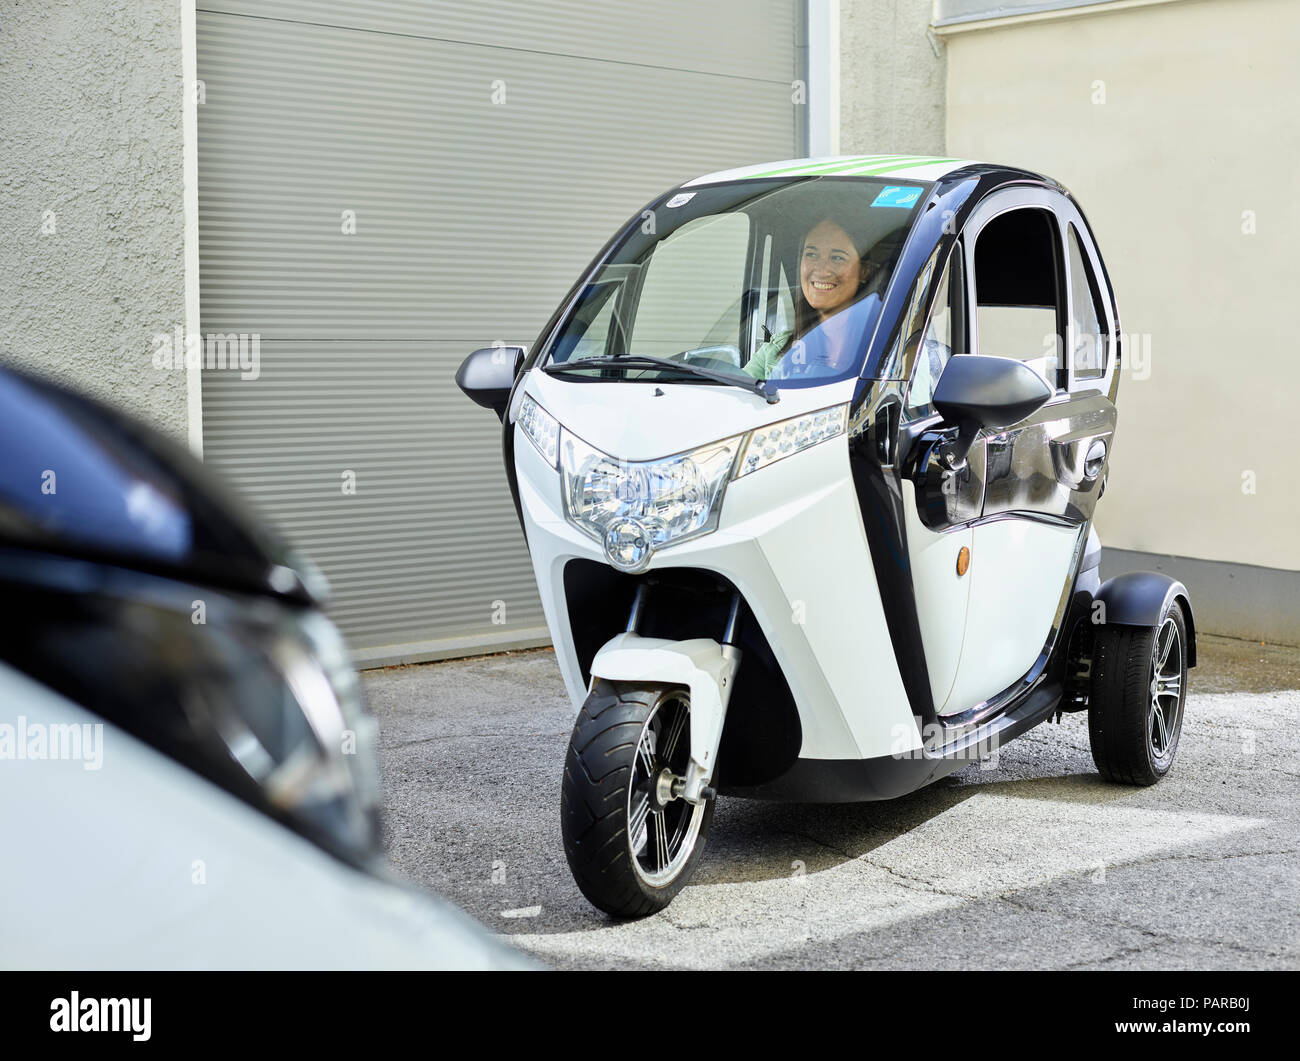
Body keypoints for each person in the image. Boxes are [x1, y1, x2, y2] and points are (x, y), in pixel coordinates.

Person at [744, 217, 881, 381]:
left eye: (837, 257)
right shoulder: (776, 350)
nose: (821, 270)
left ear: (864, 271)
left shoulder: (885, 346)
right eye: (811, 254)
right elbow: (735, 396)